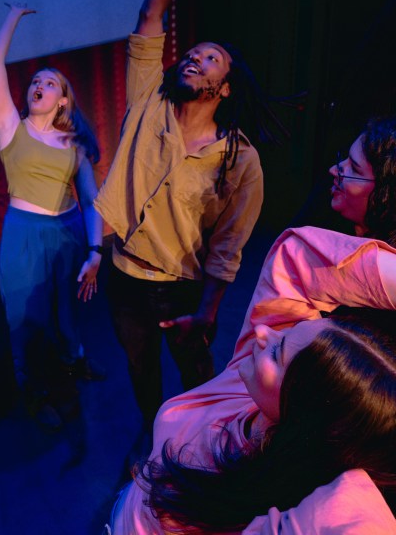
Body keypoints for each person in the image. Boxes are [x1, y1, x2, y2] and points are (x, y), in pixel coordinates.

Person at [110, 117, 396, 533]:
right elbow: (294, 259)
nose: (335, 170)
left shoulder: (296, 500)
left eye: (352, 168)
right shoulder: (249, 393)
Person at [95, 0, 272, 459]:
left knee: (195, 376)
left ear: (224, 87)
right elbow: (152, 15)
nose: (195, 57)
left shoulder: (240, 160)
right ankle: (150, 437)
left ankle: (199, 451)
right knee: (140, 368)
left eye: (210, 58)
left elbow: (228, 248)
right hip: (123, 274)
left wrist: (211, 308)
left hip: (182, 287)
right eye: (192, 53)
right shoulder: (149, 101)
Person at [0, 3, 104, 429]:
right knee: (25, 314)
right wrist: (14, 16)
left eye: (49, 82)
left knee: (68, 307)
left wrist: (96, 250)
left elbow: (91, 201)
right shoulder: (11, 129)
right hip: (25, 234)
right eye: (35, 81)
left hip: (70, 230)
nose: (38, 85)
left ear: (63, 99)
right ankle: (31, 388)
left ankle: (75, 360)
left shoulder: (74, 142)